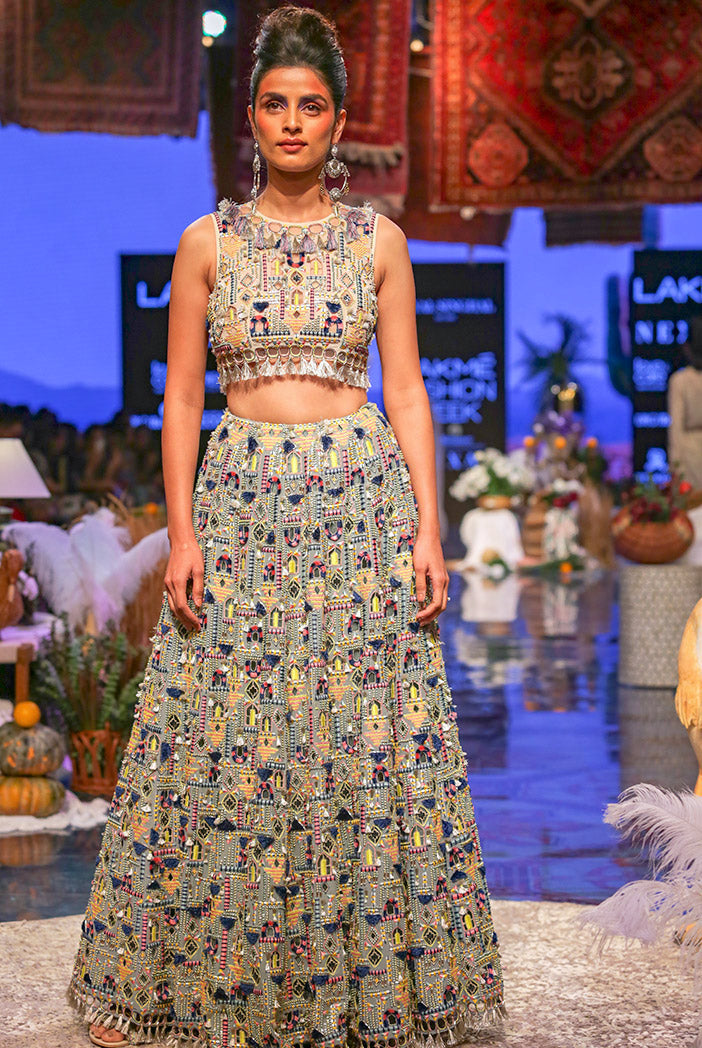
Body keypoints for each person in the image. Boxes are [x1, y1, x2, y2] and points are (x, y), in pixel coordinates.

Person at [66, 7, 505, 1047]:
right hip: (243, 500)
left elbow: (408, 392)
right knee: (221, 737)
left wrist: (429, 528)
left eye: (312, 105)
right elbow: (181, 398)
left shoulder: (380, 242)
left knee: (361, 735)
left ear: (340, 122)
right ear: (252, 119)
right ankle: (190, 984)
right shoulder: (206, 244)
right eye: (275, 104)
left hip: (358, 503)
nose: (294, 122)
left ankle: (374, 988)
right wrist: (182, 535)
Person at [668, 314, 702, 490]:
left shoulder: (680, 380)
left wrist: (675, 467)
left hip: (689, 454)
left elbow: (676, 428)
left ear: (687, 346)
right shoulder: (680, 380)